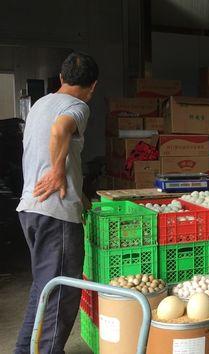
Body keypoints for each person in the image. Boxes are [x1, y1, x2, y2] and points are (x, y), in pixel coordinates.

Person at [15, 52, 98, 354]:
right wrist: (58, 171)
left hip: (31, 210)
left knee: (43, 289)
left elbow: (51, 144)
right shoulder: (77, 106)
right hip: (56, 214)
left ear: (61, 79)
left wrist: (82, 196)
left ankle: (25, 350)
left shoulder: (40, 104)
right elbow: (59, 130)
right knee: (60, 297)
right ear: (93, 87)